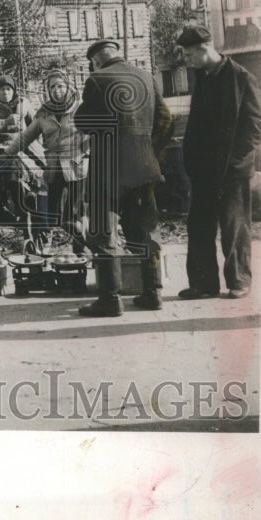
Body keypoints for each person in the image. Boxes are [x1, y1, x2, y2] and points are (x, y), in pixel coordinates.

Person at [74, 40, 174, 316]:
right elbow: (166, 120)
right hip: (144, 166)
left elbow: (82, 122)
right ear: (117, 54)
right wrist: (149, 151)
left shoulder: (97, 79)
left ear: (95, 60)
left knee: (104, 232)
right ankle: (153, 293)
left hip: (108, 168)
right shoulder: (146, 77)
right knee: (146, 230)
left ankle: (110, 299)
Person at [175, 25, 261, 300]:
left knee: (234, 226)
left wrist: (236, 163)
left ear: (204, 49)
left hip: (233, 170)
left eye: (188, 54)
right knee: (199, 226)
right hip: (203, 170)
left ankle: (239, 281)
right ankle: (203, 285)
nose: (185, 60)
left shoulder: (241, 77)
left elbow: (255, 127)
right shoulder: (203, 76)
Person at [5, 69, 89, 252]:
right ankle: (45, 249)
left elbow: (96, 132)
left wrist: (86, 149)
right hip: (52, 168)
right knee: (49, 213)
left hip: (77, 166)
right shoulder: (44, 113)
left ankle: (81, 250)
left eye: (60, 86)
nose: (57, 90)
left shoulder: (80, 108)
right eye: (52, 87)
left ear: (68, 86)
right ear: (47, 90)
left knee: (75, 214)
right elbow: (26, 136)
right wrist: (7, 154)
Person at [0, 73, 34, 152]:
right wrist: (5, 122)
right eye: (2, 89)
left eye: (8, 89)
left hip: (25, 142)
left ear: (13, 91)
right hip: (2, 145)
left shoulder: (23, 102)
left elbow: (37, 123)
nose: (5, 92)